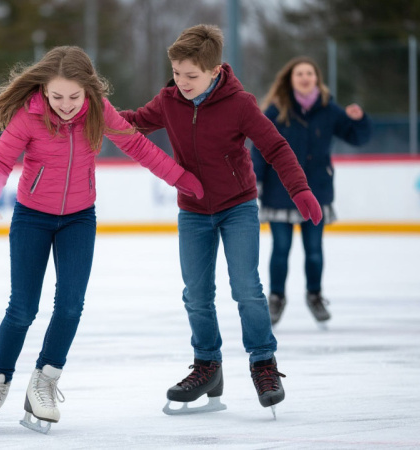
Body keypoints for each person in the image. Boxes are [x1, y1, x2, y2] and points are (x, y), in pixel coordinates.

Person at [0, 46, 204, 433]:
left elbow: (137, 145)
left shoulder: (98, 111)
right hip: (31, 219)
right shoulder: (30, 115)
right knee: (22, 309)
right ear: (44, 92)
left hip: (78, 220)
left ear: (87, 91)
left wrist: (179, 177)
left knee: (70, 306)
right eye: (57, 97)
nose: (66, 105)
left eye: (74, 97)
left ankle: (44, 381)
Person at [118, 25, 321, 416]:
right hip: (192, 211)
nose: (181, 83)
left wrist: (299, 190)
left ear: (214, 71)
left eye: (190, 75)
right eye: (176, 73)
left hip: (237, 207)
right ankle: (207, 366)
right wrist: (95, 115)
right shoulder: (169, 100)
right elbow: (135, 121)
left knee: (247, 289)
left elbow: (275, 147)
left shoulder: (239, 104)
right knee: (196, 294)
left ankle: (263, 363)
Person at [252, 57, 372, 327]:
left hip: (316, 191)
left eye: (309, 73)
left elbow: (357, 138)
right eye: (299, 74)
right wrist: (256, 180)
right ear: (290, 80)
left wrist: (360, 120)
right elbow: (258, 146)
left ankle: (315, 296)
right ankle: (276, 298)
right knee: (280, 249)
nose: (305, 78)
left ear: (316, 78)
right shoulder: (276, 110)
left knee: (314, 250)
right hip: (279, 191)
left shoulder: (329, 110)